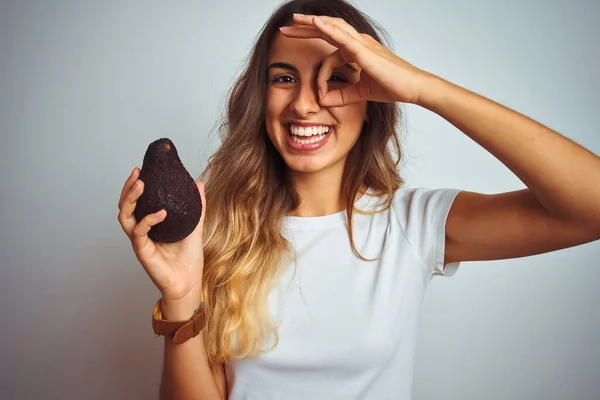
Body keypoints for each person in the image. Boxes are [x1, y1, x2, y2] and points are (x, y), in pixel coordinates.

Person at [117, 0, 600, 399]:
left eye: (339, 78)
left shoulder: (413, 222)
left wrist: (422, 88)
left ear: (375, 99)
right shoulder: (219, 230)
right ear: (260, 97)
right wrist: (180, 297)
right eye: (284, 78)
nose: (306, 104)